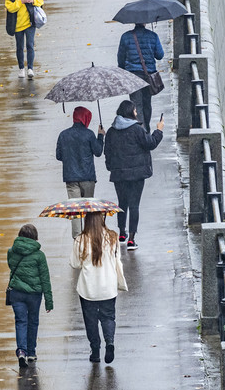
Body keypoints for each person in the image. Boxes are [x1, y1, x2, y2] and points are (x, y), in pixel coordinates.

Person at [103, 100, 164, 250]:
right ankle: (131, 238)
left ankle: (121, 232)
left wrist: (112, 168)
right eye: (135, 111)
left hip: (119, 174)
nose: (137, 113)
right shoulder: (137, 129)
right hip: (137, 174)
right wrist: (159, 130)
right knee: (134, 205)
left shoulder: (111, 131)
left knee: (122, 203)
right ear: (130, 112)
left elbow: (108, 153)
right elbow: (150, 143)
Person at [70, 212, 124, 364]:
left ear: (86, 221)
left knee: (90, 320)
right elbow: (117, 259)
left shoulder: (81, 239)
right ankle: (110, 342)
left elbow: (74, 264)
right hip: (108, 286)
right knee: (108, 317)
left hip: (88, 288)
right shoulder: (113, 237)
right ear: (102, 219)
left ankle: (95, 351)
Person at [7, 224, 53, 368]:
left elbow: (11, 266)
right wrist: (49, 301)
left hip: (16, 292)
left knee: (21, 321)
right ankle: (31, 352)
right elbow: (45, 278)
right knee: (33, 321)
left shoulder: (11, 252)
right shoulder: (39, 255)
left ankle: (21, 351)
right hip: (34, 294)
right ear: (35, 237)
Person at [56, 106, 106, 238]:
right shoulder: (89, 134)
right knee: (88, 209)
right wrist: (100, 136)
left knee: (75, 209)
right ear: (85, 118)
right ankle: (89, 235)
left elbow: (59, 156)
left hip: (71, 178)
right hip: (88, 177)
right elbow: (98, 152)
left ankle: (77, 238)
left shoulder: (63, 135)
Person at [117, 23, 164, 131]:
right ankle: (146, 128)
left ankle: (141, 130)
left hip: (132, 76)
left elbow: (121, 58)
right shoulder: (153, 36)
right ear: (145, 22)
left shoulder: (125, 37)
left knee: (136, 104)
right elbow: (160, 55)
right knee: (147, 103)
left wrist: (123, 70)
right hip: (149, 75)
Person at [5, 0, 44, 79]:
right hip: (17, 25)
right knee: (19, 47)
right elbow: (10, 8)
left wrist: (32, 0)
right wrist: (21, 1)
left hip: (30, 23)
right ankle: (21, 68)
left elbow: (40, 1)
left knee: (30, 45)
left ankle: (30, 68)